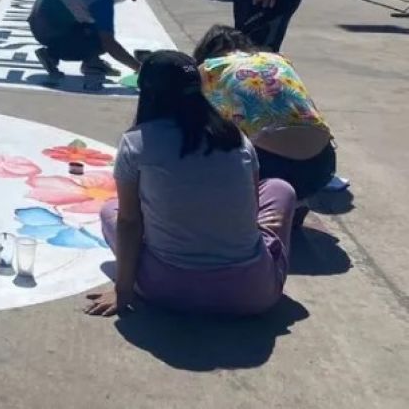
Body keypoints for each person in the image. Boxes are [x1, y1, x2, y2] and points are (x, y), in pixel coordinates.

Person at [84, 50, 297, 317]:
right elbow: (250, 209)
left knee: (111, 212)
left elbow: (129, 222)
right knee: (280, 189)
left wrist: (122, 290)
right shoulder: (235, 137)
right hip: (252, 294)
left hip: (165, 289)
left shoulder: (137, 142)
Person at [193, 25, 336, 225]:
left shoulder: (209, 68)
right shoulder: (279, 60)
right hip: (322, 165)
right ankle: (296, 204)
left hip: (270, 167)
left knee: (209, 134)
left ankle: (255, 210)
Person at [29, 0, 144, 82]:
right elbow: (109, 43)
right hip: (46, 29)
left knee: (99, 29)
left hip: (39, 18)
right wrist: (140, 69)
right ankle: (51, 55)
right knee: (102, 41)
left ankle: (92, 62)